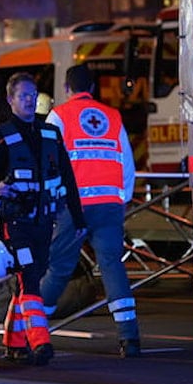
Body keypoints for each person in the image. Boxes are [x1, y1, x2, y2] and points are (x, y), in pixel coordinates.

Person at [0, 71, 85, 366]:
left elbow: (68, 178)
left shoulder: (50, 133)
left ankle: (14, 342)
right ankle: (41, 343)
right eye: (23, 96)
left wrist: (78, 217)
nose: (29, 100)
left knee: (27, 280)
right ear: (10, 100)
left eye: (33, 96)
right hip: (16, 223)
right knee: (30, 279)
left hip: (44, 222)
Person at [41, 64, 142, 357]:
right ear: (94, 88)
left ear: (66, 88)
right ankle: (129, 337)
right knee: (112, 266)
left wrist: (51, 200)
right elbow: (127, 164)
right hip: (109, 204)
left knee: (59, 268)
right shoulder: (112, 116)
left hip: (73, 207)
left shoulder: (59, 115)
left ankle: (31, 329)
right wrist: (122, 199)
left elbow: (50, 161)